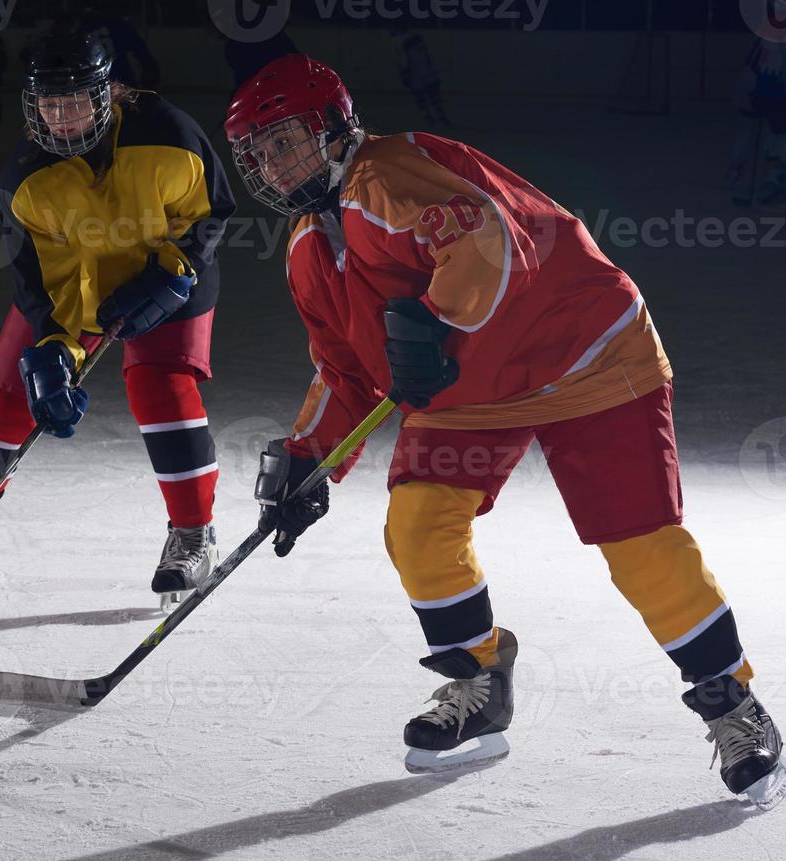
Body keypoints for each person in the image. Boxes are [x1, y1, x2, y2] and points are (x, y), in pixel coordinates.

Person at [224, 53, 783, 808]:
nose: (272, 163)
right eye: (257, 152)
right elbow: (345, 371)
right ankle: (477, 682)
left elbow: (486, 240)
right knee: (417, 525)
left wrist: (432, 321)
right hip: (472, 388)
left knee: (640, 546)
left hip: (584, 355)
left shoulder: (389, 173)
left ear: (332, 128)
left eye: (283, 139)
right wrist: (307, 459)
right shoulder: (305, 251)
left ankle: (732, 703)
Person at [0, 33, 235, 608]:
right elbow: (41, 282)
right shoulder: (28, 180)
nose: (61, 118)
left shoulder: (169, 134)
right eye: (49, 105)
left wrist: (172, 271)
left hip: (171, 276)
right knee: (13, 388)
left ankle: (192, 534)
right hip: (83, 284)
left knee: (160, 386)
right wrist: (56, 349)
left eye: (75, 101)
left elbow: (208, 211)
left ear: (106, 93)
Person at [728, 25, 786, 206]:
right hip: (763, 88)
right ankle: (756, 184)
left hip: (760, 87)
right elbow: (770, 67)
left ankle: (745, 181)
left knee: (757, 135)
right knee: (763, 136)